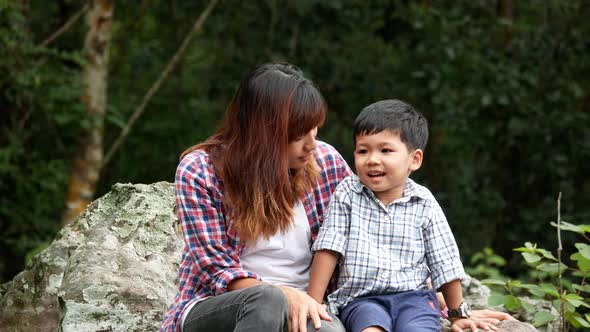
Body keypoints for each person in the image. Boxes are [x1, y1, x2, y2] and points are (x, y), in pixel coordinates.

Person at [160, 62, 352, 332]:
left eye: (315, 129)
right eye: (298, 135)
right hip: (220, 305)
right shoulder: (199, 170)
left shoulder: (326, 162)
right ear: (263, 133)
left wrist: (421, 283)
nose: (311, 144)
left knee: (329, 330)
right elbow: (216, 268)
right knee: (266, 300)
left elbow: (366, 229)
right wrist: (285, 294)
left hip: (304, 306)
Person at [307, 99, 502, 332]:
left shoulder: (424, 202)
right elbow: (329, 247)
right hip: (362, 300)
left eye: (385, 150)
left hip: (415, 299)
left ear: (414, 159)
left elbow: (445, 261)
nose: (372, 159)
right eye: (363, 150)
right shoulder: (348, 193)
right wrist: (314, 302)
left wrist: (457, 313)